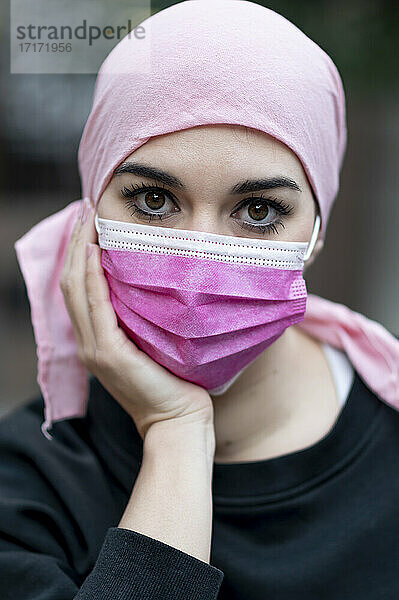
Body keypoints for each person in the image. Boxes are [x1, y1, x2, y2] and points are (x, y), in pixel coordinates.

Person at [1, 1, 399, 598]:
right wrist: (176, 431)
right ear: (90, 209)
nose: (196, 263)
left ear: (316, 233)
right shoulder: (23, 487)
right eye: (154, 201)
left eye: (258, 211)